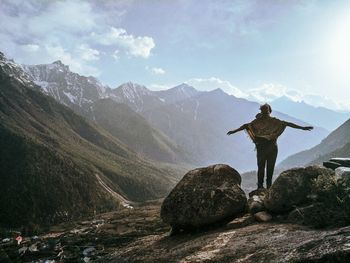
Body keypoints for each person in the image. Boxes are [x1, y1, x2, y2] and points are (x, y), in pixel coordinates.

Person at [227, 103, 313, 189]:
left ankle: (260, 186)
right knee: (270, 168)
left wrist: (234, 131)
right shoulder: (274, 121)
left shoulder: (257, 122)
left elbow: (246, 126)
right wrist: (302, 128)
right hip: (272, 147)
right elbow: (288, 124)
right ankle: (268, 186)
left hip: (261, 147)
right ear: (270, 111)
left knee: (261, 167)